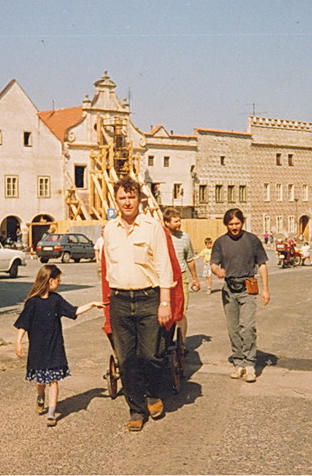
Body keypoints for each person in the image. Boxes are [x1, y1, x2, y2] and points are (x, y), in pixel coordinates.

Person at [103, 176, 173, 432]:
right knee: (127, 359)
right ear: (116, 200)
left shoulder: (151, 226)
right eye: (122, 197)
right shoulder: (109, 229)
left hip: (148, 299)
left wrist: (164, 302)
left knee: (151, 355)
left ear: (139, 199)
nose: (127, 202)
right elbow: (108, 267)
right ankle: (136, 409)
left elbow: (163, 265)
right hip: (120, 300)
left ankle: (153, 393)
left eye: (131, 196)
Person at [14, 265, 102, 426]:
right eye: (58, 280)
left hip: (54, 347)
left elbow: (73, 311)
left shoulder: (56, 300)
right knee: (41, 379)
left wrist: (91, 304)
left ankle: (51, 413)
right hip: (38, 349)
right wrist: (18, 342)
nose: (59, 283)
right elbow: (23, 324)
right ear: (50, 280)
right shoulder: (32, 303)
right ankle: (40, 396)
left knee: (53, 380)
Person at [211, 208, 270, 383]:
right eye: (230, 224)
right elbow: (213, 263)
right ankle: (239, 363)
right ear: (226, 225)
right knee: (233, 328)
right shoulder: (220, 242)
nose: (234, 227)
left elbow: (262, 265)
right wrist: (217, 271)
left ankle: (250, 364)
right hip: (229, 289)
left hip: (248, 287)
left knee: (248, 326)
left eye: (237, 223)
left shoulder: (252, 240)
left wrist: (265, 289)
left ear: (242, 223)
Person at [163, 208, 200, 343]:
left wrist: (195, 278)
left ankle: (181, 344)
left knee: (181, 312)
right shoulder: (160, 237)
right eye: (176, 221)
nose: (179, 224)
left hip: (181, 278)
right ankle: (164, 342)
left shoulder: (185, 237)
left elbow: (189, 259)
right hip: (164, 279)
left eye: (180, 221)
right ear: (167, 222)